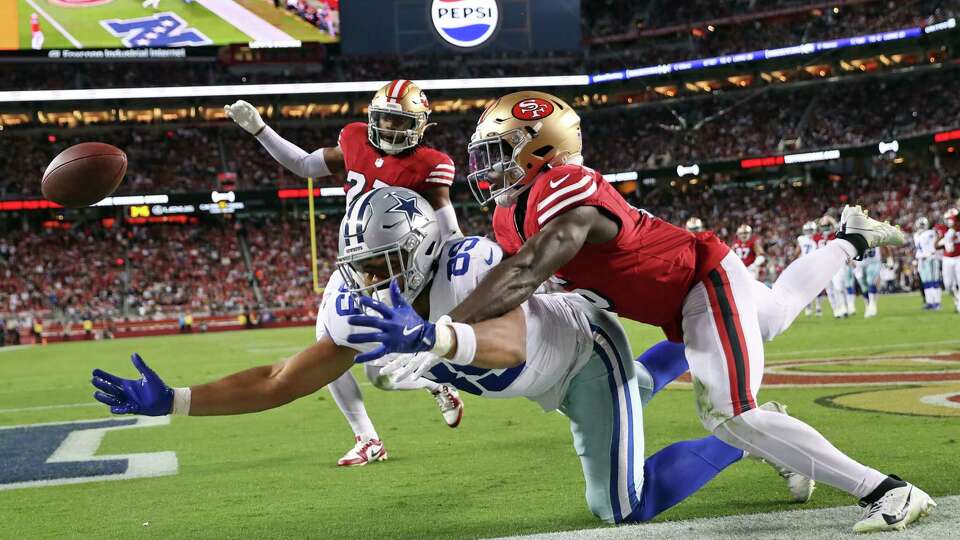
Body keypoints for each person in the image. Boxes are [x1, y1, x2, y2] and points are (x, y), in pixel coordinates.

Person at [89, 188, 808, 524]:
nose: (369, 280)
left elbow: (508, 344)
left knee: (623, 506)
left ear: (424, 247)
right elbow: (282, 380)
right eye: (361, 265)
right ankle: (691, 356)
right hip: (547, 383)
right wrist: (177, 401)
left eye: (384, 263)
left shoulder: (467, 263)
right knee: (635, 405)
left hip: (584, 357)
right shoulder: (364, 299)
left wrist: (430, 336)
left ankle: (748, 437)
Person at [428, 91, 931, 532]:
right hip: (678, 297)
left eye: (499, 153)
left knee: (730, 416)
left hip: (699, 283)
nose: (486, 168)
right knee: (775, 313)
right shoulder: (507, 213)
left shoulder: (567, 183)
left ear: (542, 148)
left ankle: (888, 491)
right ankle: (853, 238)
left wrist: (448, 329)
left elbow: (533, 266)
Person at [225, 80, 464, 466]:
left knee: (381, 375)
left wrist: (455, 271)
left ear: (421, 125)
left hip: (397, 271)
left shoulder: (431, 164)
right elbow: (304, 165)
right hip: (354, 260)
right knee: (327, 348)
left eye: (399, 121)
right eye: (383, 119)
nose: (388, 128)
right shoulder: (354, 140)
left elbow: (448, 226)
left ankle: (435, 382)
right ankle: (370, 437)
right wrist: (259, 129)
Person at [913, 216, 941, 310]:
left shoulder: (928, 233)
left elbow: (938, 236)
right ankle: (930, 302)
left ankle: (936, 302)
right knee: (926, 282)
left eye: (922, 225)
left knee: (933, 281)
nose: (920, 227)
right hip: (922, 259)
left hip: (930, 258)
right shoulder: (917, 235)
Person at [796, 221, 821, 316]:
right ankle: (809, 306)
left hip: (815, 264)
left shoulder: (818, 238)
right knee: (806, 288)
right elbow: (798, 251)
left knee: (816, 287)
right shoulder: (801, 239)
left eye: (811, 230)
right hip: (805, 265)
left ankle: (818, 306)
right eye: (807, 230)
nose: (809, 232)